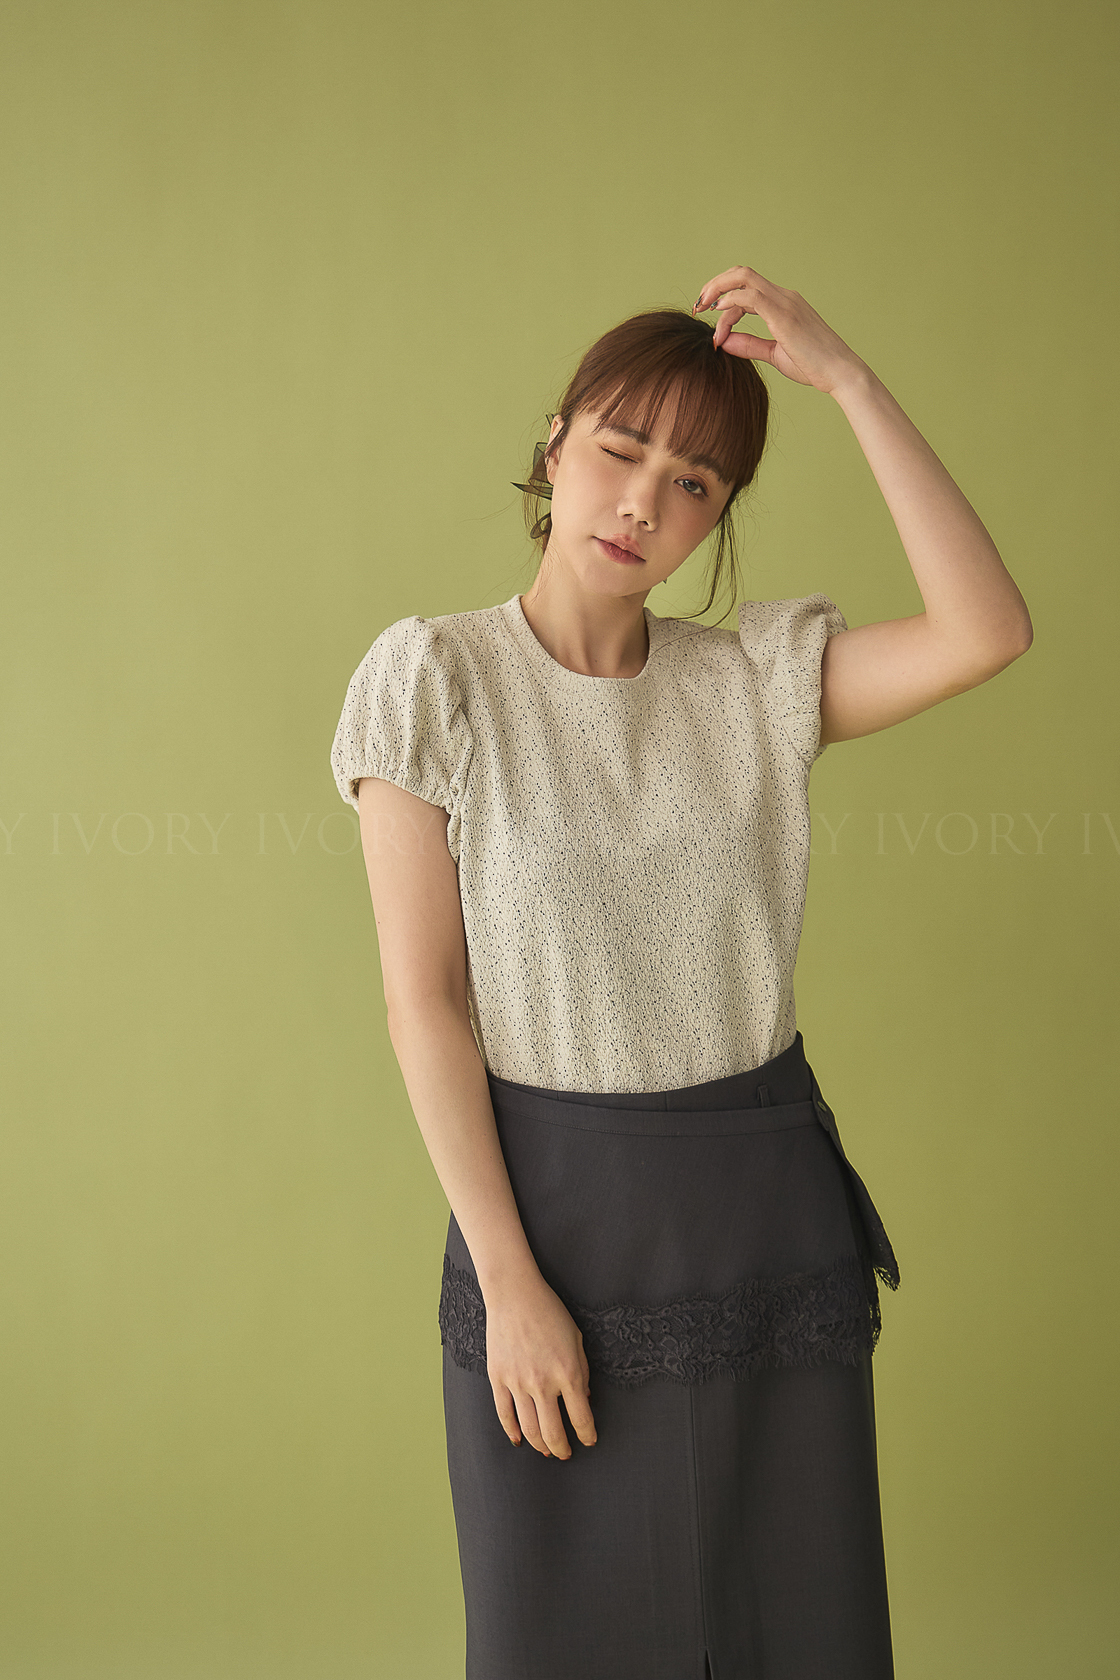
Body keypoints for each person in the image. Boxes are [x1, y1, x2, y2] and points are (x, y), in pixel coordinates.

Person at [330, 264, 1033, 1680]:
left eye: (696, 482)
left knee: (800, 1635)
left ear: (720, 516)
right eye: (620, 450)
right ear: (555, 446)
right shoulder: (435, 680)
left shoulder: (755, 681)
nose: (644, 502)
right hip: (554, 1226)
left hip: (766, 1222)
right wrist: (509, 1280)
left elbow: (987, 631)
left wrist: (848, 382)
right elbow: (426, 1006)